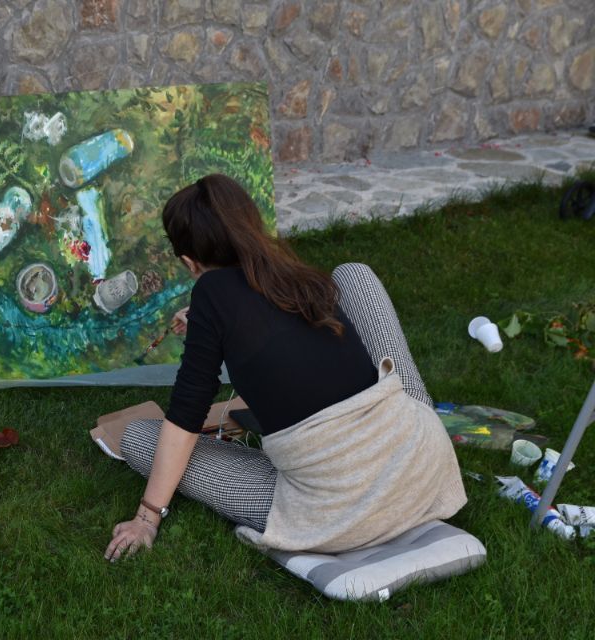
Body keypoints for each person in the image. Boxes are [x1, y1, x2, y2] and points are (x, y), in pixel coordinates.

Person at [104, 174, 465, 562]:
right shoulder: (292, 273)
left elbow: (187, 413)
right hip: (422, 468)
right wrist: (210, 325)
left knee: (139, 437)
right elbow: (273, 328)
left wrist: (147, 517)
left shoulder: (210, 291)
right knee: (354, 274)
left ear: (189, 262)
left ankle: (315, 488)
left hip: (338, 516)